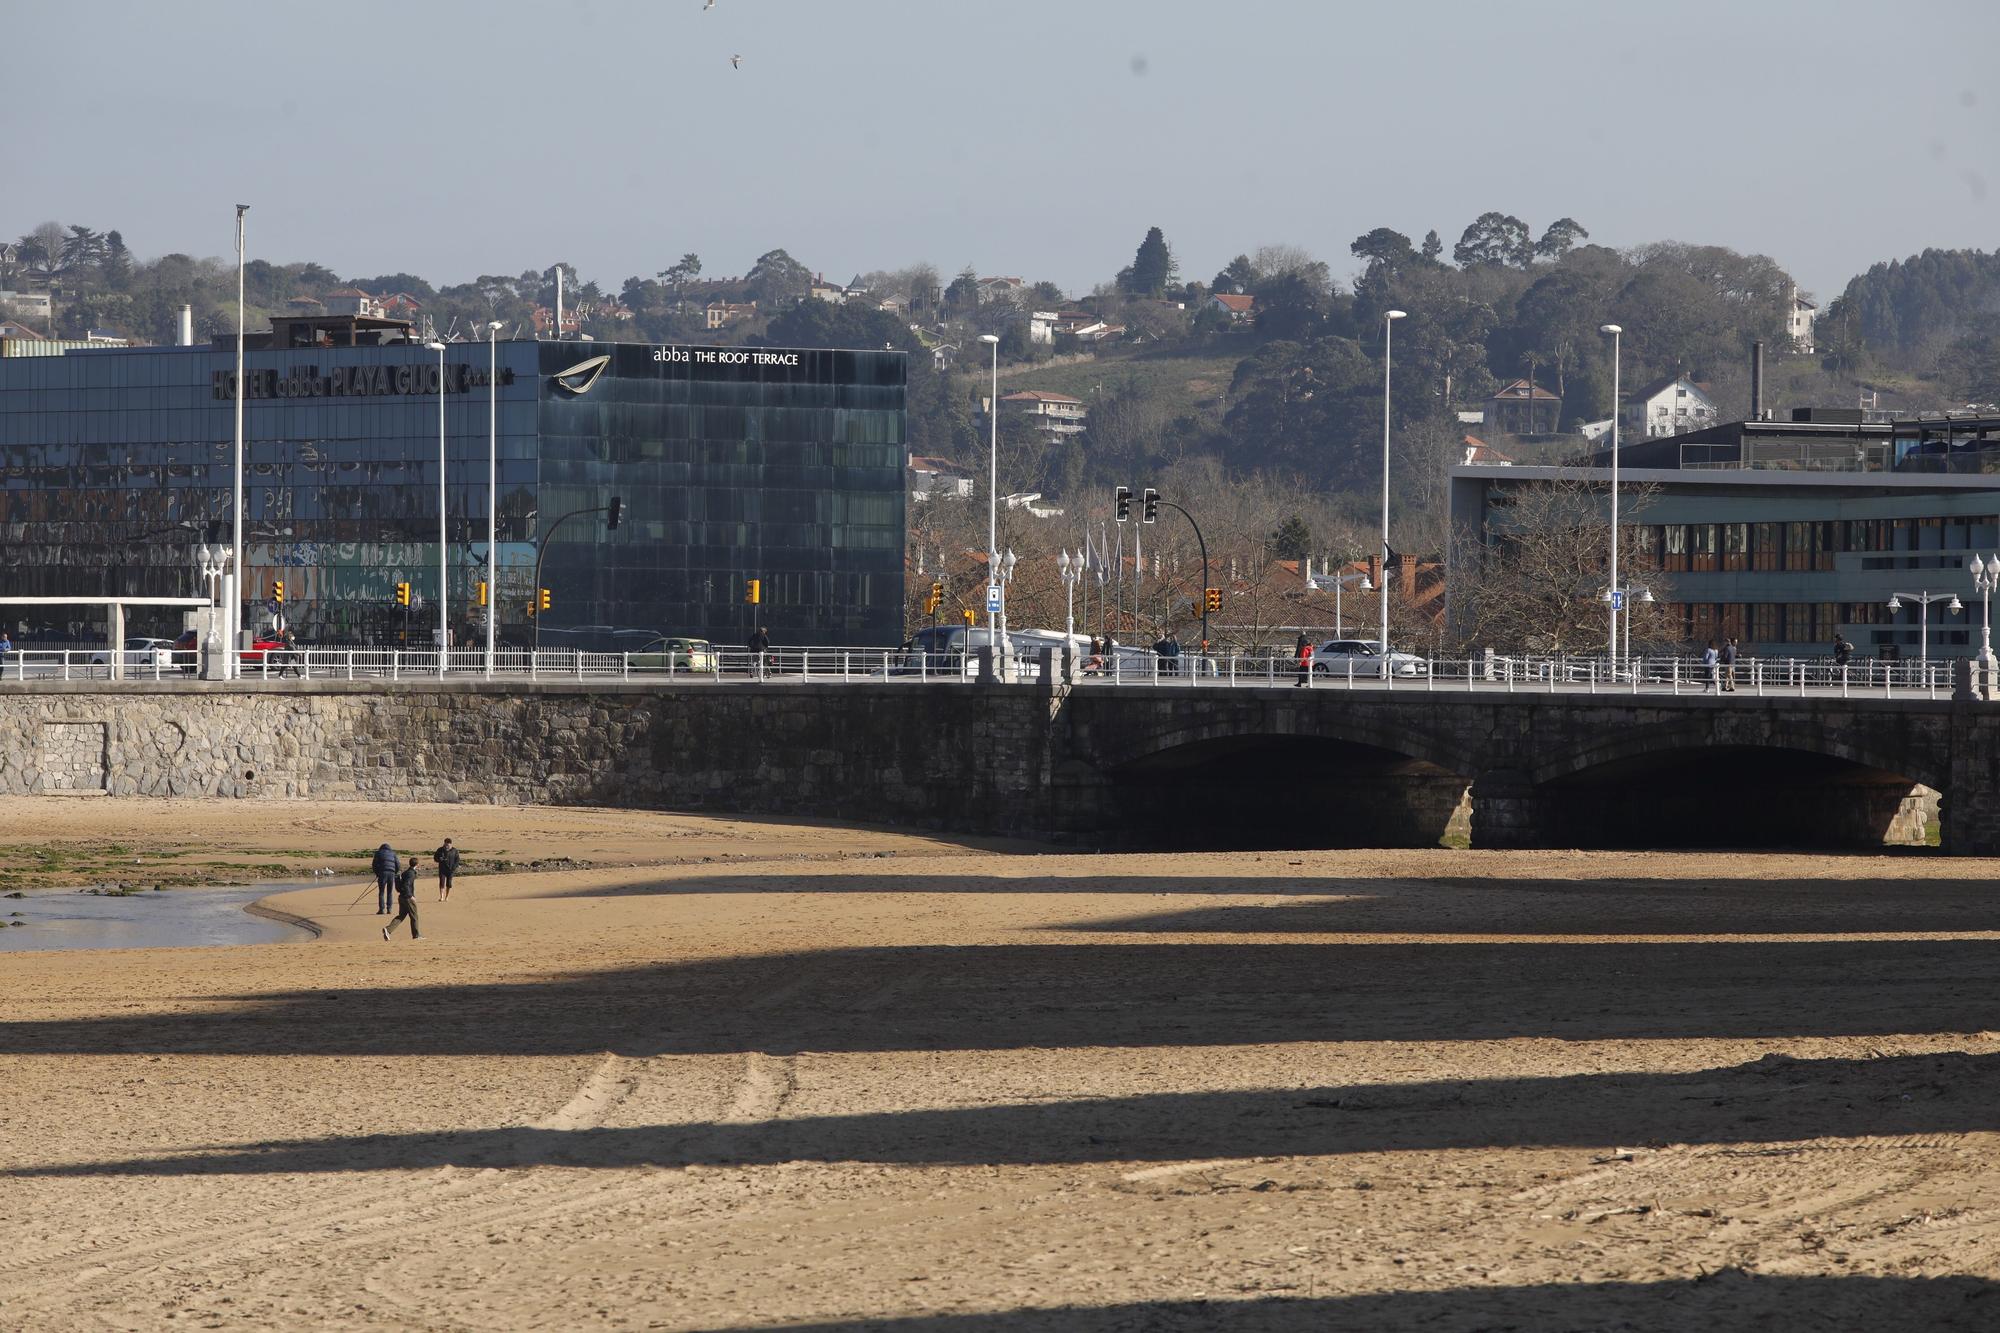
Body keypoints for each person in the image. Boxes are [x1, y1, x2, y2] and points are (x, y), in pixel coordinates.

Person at [383, 854, 421, 941]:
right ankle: (416, 935)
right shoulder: (411, 873)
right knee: (414, 916)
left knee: (402, 915)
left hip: (401, 897)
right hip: (407, 897)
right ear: (417, 865)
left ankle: (388, 930)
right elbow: (406, 885)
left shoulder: (406, 872)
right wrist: (411, 896)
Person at [370, 842, 399, 915]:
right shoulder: (393, 853)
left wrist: (377, 873)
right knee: (389, 892)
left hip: (382, 873)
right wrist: (395, 872)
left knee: (381, 892)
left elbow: (374, 865)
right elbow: (398, 864)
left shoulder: (378, 853)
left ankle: (381, 909)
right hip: (391, 873)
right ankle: (389, 909)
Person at [433, 837, 460, 903]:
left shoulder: (455, 850)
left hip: (451, 870)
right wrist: (439, 859)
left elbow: (457, 860)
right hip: (442, 869)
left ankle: (447, 897)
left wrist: (454, 867)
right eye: (445, 845)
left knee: (449, 883)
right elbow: (435, 858)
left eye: (448, 845)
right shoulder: (440, 849)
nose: (446, 846)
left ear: (451, 844)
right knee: (442, 883)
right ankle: (441, 897)